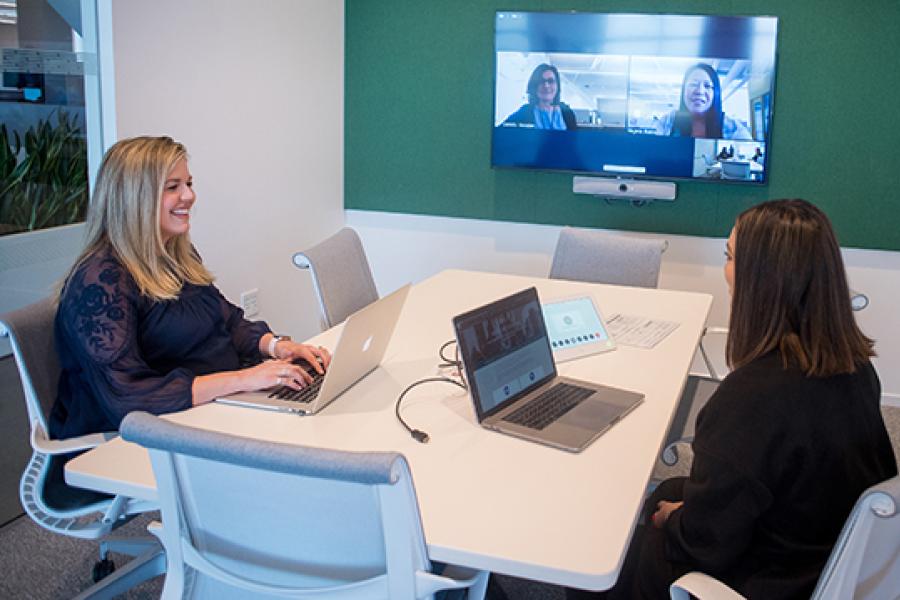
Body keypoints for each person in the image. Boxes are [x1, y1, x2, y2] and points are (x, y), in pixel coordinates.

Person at [565, 199, 897, 600]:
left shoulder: (752, 399)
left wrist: (675, 522)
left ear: (762, 279)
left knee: (606, 554)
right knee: (668, 488)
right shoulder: (855, 365)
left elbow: (702, 544)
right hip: (826, 549)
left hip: (776, 578)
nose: (725, 271)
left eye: (729, 257)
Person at [49, 136, 331, 440]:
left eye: (188, 183)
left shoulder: (175, 253)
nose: (189, 196)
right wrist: (243, 380)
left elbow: (226, 320)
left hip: (210, 409)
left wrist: (276, 346)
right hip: (140, 438)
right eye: (173, 187)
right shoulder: (101, 280)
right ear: (134, 198)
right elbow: (128, 397)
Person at [654, 63, 752, 140]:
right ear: (683, 90)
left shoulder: (733, 128)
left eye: (707, 86)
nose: (700, 91)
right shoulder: (668, 122)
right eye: (693, 84)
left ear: (716, 93)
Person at [503, 63, 577, 130]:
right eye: (541, 81)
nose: (546, 85)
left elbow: (575, 141)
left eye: (550, 81)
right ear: (534, 86)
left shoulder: (567, 113)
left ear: (557, 86)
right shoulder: (524, 112)